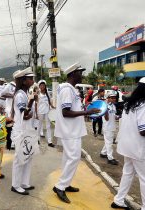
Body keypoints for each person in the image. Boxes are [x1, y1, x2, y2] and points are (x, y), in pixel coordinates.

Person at [53, 63, 99, 204]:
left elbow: (71, 107)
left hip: (72, 129)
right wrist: (87, 112)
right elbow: (66, 112)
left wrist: (85, 108)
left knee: (69, 158)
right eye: (80, 72)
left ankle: (65, 184)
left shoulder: (70, 89)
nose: (82, 74)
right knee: (73, 158)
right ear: (73, 74)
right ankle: (60, 186)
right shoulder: (67, 89)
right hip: (70, 130)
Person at [111, 77, 145, 210]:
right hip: (138, 148)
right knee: (144, 178)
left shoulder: (129, 103)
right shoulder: (143, 105)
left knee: (128, 173)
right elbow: (143, 131)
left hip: (127, 146)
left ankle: (119, 200)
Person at [11, 67, 37, 195]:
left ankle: (24, 182)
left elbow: (26, 114)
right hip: (21, 129)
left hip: (28, 128)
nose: (32, 80)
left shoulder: (25, 93)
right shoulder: (20, 94)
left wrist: (31, 101)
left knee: (28, 155)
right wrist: (32, 100)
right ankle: (15, 185)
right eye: (30, 78)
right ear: (24, 81)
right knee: (20, 157)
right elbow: (24, 113)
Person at [100, 91, 119, 165]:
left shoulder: (113, 106)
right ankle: (110, 158)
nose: (114, 99)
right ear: (108, 98)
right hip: (107, 127)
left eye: (115, 98)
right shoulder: (104, 106)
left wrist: (117, 116)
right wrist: (106, 112)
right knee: (109, 143)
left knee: (108, 141)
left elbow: (113, 115)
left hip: (112, 126)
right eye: (112, 98)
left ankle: (103, 153)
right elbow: (107, 118)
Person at [37, 80, 55, 147]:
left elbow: (50, 102)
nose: (42, 86)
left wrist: (53, 107)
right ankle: (37, 139)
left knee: (48, 126)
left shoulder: (47, 94)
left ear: (45, 86)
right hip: (40, 112)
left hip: (47, 111)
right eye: (41, 85)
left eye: (43, 85)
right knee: (39, 126)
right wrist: (36, 113)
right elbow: (36, 104)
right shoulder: (38, 94)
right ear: (39, 86)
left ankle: (50, 142)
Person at [1, 78, 17, 150]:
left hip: (16, 109)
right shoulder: (9, 85)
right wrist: (13, 95)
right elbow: (3, 94)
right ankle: (10, 143)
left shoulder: (20, 86)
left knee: (15, 126)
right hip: (10, 109)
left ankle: (13, 143)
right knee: (10, 127)